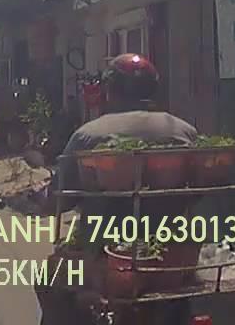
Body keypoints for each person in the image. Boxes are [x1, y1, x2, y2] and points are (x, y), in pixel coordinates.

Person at [38, 54, 199, 325]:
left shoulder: (88, 135)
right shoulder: (184, 131)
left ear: (109, 91)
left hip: (103, 260)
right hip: (171, 258)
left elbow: (59, 201)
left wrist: (44, 201)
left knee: (47, 281)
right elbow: (197, 191)